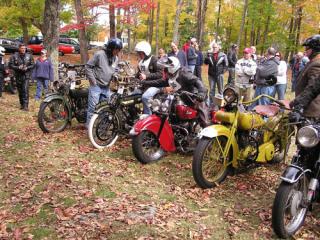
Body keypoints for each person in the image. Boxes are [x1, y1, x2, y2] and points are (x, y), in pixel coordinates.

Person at [159, 56, 209, 127]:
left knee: (205, 122)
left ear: (172, 68)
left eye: (166, 69)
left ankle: (206, 133)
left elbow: (197, 81)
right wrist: (145, 82)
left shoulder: (184, 73)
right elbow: (162, 83)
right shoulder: (171, 76)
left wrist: (201, 92)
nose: (164, 71)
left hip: (195, 98)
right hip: (183, 98)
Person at [85, 38, 123, 126]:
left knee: (105, 108)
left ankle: (101, 128)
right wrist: (93, 82)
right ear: (110, 48)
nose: (117, 52)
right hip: (96, 86)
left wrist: (115, 75)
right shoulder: (99, 54)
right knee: (93, 108)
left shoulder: (116, 58)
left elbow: (115, 70)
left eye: (119, 50)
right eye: (116, 49)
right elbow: (88, 67)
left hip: (106, 87)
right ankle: (89, 128)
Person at [289, 34, 320, 120]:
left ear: (315, 49)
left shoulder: (317, 64)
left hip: (310, 111)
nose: (305, 50)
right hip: (305, 108)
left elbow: (312, 88)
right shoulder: (312, 62)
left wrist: (299, 107)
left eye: (307, 48)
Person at [135, 41, 167, 115]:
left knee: (145, 97)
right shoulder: (141, 62)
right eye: (138, 53)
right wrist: (132, 78)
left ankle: (148, 117)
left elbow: (160, 74)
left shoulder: (154, 60)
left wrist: (147, 76)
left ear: (146, 52)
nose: (139, 55)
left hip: (156, 85)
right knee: (132, 95)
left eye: (140, 53)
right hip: (145, 85)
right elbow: (139, 74)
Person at [9, 43, 34, 111]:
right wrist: (18, 67)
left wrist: (27, 67)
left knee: (25, 90)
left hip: (26, 76)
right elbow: (10, 65)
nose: (23, 50)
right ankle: (22, 104)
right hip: (18, 75)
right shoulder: (14, 56)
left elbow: (32, 65)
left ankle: (26, 106)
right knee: (20, 91)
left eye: (24, 48)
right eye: (22, 48)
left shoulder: (29, 56)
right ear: (19, 48)